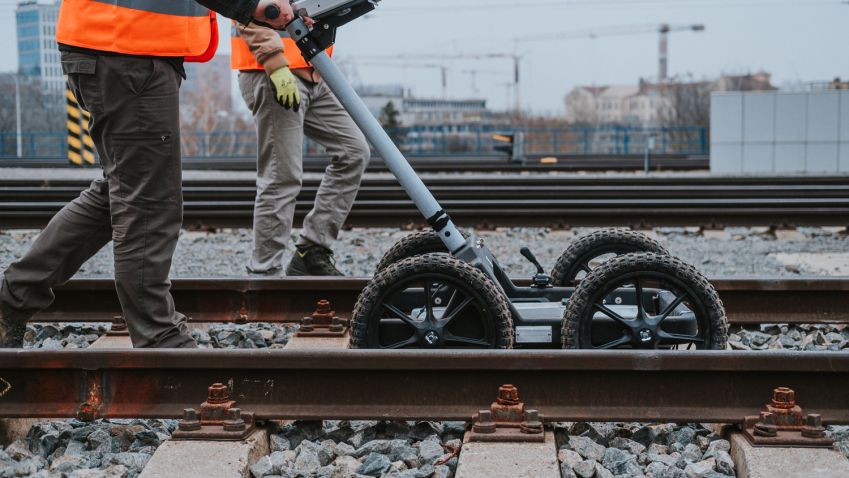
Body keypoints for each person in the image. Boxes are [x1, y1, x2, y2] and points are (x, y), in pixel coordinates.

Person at [0, 0, 294, 349]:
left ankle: (13, 300)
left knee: (123, 191)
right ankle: (157, 335)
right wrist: (249, 5)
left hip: (122, 46)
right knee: (149, 201)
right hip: (124, 47)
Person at [232, 19, 370, 276]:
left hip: (314, 72)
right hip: (272, 72)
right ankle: (264, 272)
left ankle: (311, 250)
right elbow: (244, 8)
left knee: (354, 152)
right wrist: (275, 63)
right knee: (281, 176)